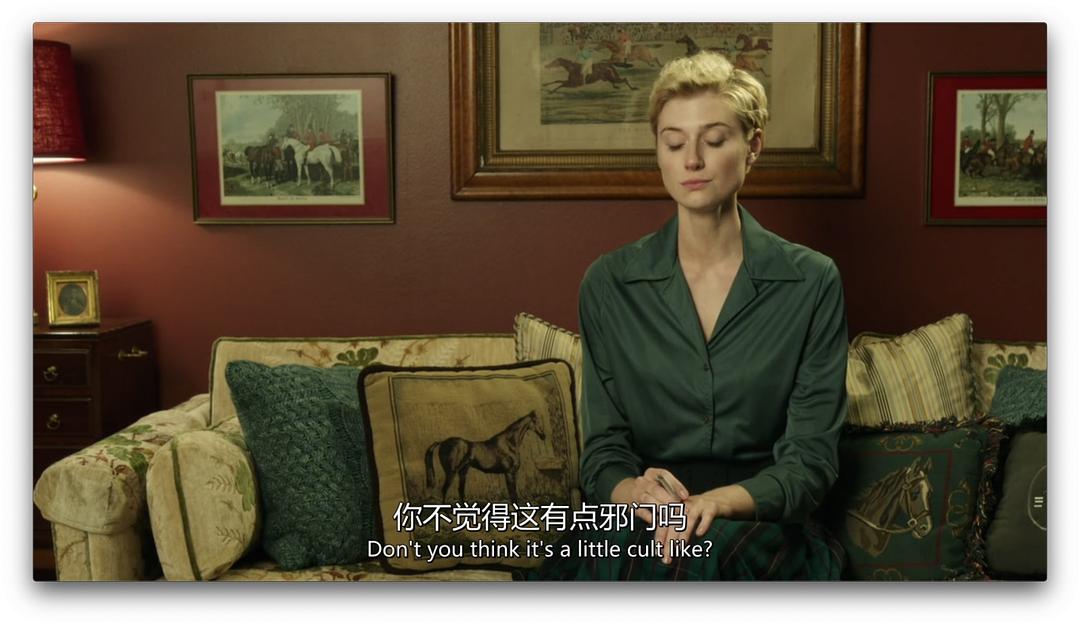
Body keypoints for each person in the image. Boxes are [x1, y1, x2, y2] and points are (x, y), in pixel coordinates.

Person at [528, 51, 847, 581]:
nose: (691, 161)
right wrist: (634, 493)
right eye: (674, 143)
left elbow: (811, 460)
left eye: (714, 140)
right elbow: (604, 449)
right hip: (640, 518)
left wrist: (714, 503)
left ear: (753, 147)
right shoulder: (609, 284)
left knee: (693, 557)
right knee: (646, 555)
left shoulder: (812, 282)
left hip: (759, 520)